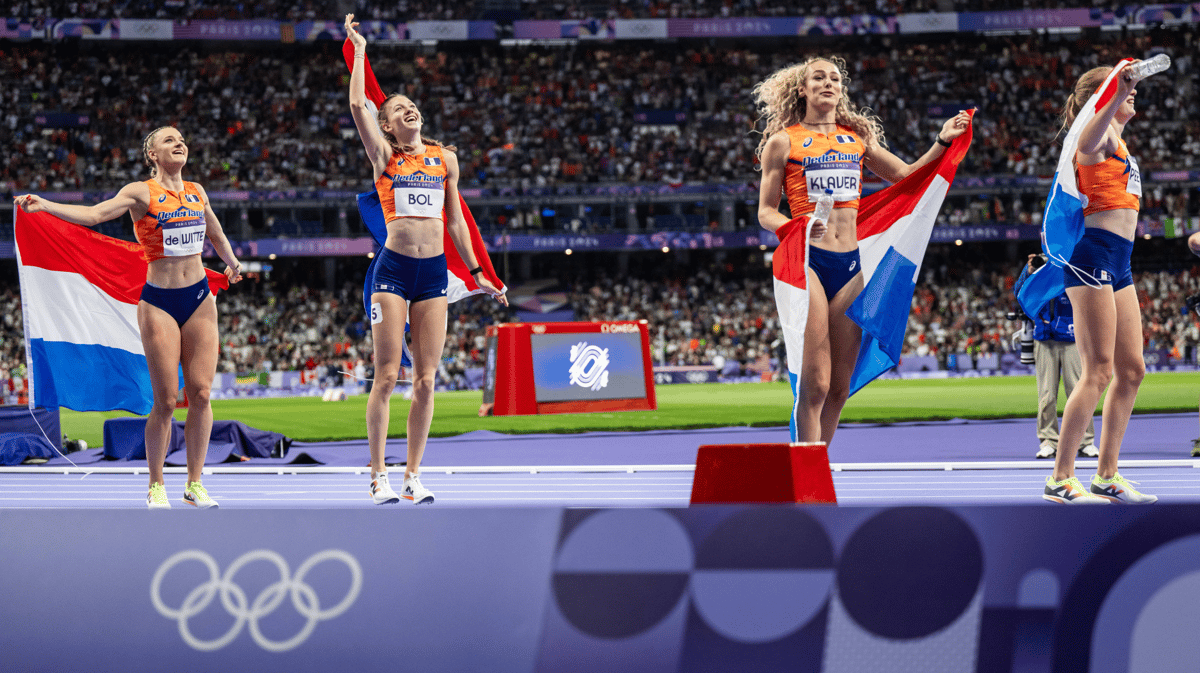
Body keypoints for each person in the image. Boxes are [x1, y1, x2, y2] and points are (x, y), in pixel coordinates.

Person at [14, 126, 243, 509]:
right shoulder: (140, 191)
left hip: (200, 298)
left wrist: (232, 263)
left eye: (182, 138)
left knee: (202, 393)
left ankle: (194, 482)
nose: (179, 143)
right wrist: (47, 205)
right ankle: (156, 484)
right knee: (167, 401)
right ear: (152, 153)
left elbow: (215, 233)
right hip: (159, 303)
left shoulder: (197, 191)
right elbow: (94, 214)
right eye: (169, 140)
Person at [754, 55, 970, 445]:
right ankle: (805, 468)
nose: (828, 83)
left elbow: (905, 175)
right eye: (818, 77)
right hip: (810, 263)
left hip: (850, 267)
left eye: (834, 78)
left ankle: (816, 463)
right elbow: (766, 212)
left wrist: (942, 140)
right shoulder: (783, 141)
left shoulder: (855, 139)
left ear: (842, 88)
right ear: (802, 89)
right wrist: (794, 227)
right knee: (816, 384)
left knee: (840, 387)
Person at [346, 15, 507, 505]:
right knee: (388, 374)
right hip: (392, 270)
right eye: (398, 108)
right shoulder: (384, 158)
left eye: (412, 105)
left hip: (433, 273)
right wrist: (359, 51)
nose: (409, 109)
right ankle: (378, 474)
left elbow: (456, 222)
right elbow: (358, 103)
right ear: (388, 124)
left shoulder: (444, 159)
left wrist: (478, 273)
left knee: (426, 378)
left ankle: (413, 474)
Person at [1043, 62, 1156, 504]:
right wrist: (1112, 97)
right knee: (1099, 370)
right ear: (1102, 96)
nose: (1133, 94)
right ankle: (1060, 477)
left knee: (1132, 370)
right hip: (1091, 255)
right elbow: (1088, 138)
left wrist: (1117, 91)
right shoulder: (1099, 134)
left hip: (1120, 260)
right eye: (1125, 89)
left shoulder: (1121, 142)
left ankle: (1107, 474)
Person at [1013, 253, 1098, 459]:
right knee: (1047, 395)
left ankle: (1085, 440)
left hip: (1072, 337)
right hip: (1044, 337)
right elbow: (1020, 293)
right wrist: (1030, 270)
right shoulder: (1041, 270)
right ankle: (1049, 440)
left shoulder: (1075, 262)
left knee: (1078, 391)